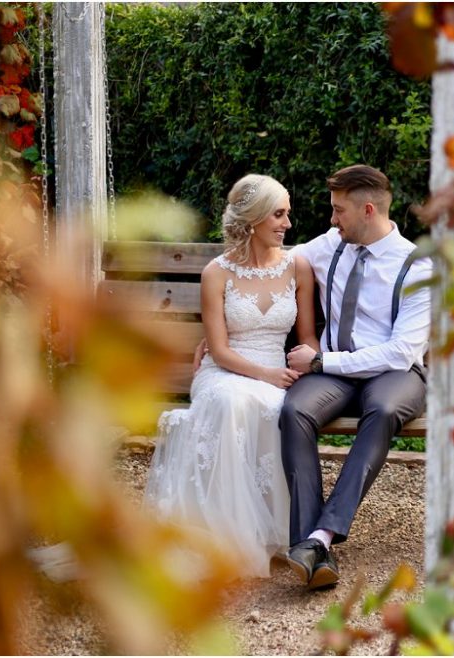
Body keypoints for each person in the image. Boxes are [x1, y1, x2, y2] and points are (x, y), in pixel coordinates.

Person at [144, 173, 319, 578]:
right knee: (231, 400)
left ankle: (271, 531)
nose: (288, 223)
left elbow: (308, 337)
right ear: (254, 219)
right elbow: (219, 350)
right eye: (279, 214)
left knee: (275, 407)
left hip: (275, 370)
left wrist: (309, 366)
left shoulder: (298, 266)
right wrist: (266, 374)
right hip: (224, 370)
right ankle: (221, 540)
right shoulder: (216, 273)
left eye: (287, 214)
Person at [281, 164, 431, 590]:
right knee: (294, 410)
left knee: (382, 409)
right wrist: (224, 321)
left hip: (393, 374)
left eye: (338, 210)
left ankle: (321, 536)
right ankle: (310, 547)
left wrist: (321, 362)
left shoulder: (417, 267)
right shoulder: (332, 245)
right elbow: (271, 265)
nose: (332, 220)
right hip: (336, 372)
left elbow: (401, 352)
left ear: (368, 210)